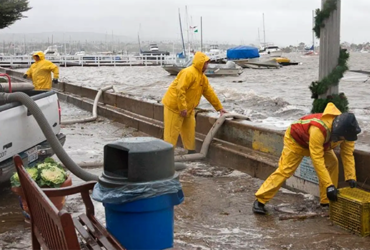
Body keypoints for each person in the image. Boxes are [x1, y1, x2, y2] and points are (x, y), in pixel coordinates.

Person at [253, 102, 361, 214]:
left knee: (333, 162)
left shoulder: (348, 132)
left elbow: (347, 154)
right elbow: (317, 160)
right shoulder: (318, 130)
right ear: (338, 132)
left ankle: (326, 201)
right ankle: (260, 200)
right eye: (342, 138)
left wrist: (351, 176)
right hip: (296, 142)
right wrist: (329, 186)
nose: (344, 140)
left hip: (320, 145)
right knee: (285, 170)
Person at [162, 51, 227, 153]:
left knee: (189, 132)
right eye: (206, 63)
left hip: (188, 109)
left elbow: (209, 93)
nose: (207, 65)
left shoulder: (202, 78)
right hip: (174, 107)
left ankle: (190, 153)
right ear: (200, 63)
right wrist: (182, 107)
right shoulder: (188, 73)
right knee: (171, 133)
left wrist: (220, 108)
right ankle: (166, 156)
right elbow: (180, 90)